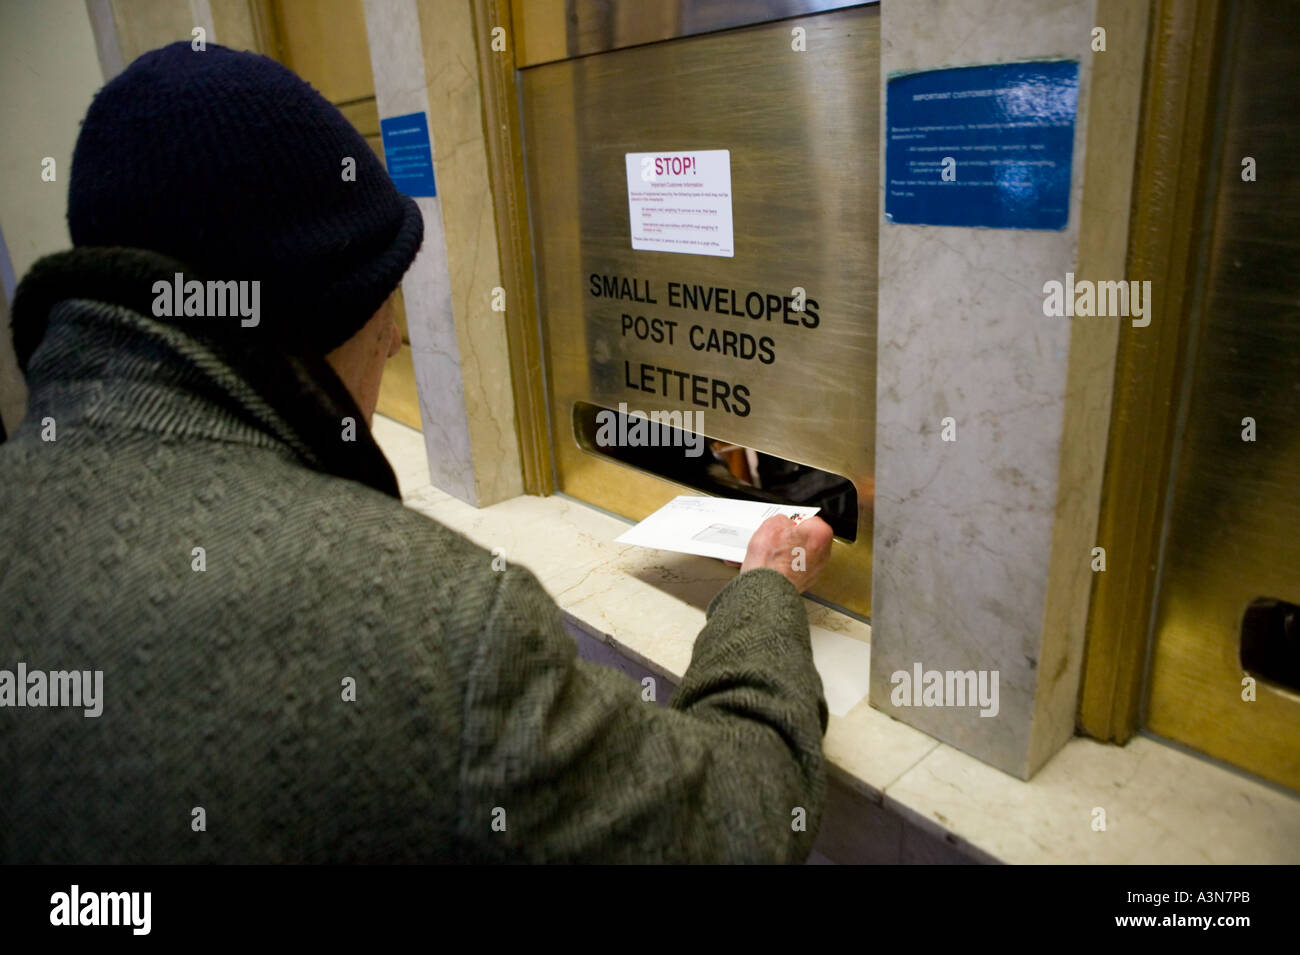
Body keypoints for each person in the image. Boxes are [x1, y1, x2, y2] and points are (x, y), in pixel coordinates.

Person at [0, 42, 834, 863]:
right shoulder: (437, 631)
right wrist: (763, 594)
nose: (397, 337)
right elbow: (737, 820)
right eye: (381, 300)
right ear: (313, 310)